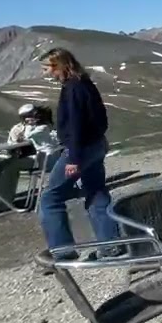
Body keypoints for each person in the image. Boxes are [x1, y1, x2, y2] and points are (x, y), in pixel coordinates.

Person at [37, 47, 121, 258]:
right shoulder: (84, 83)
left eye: (47, 68)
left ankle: (62, 251)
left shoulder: (72, 88)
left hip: (80, 150)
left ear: (59, 66)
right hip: (95, 145)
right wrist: (100, 139)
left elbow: (76, 124)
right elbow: (100, 116)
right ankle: (110, 245)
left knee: (51, 199)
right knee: (96, 191)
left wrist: (73, 157)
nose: (45, 73)